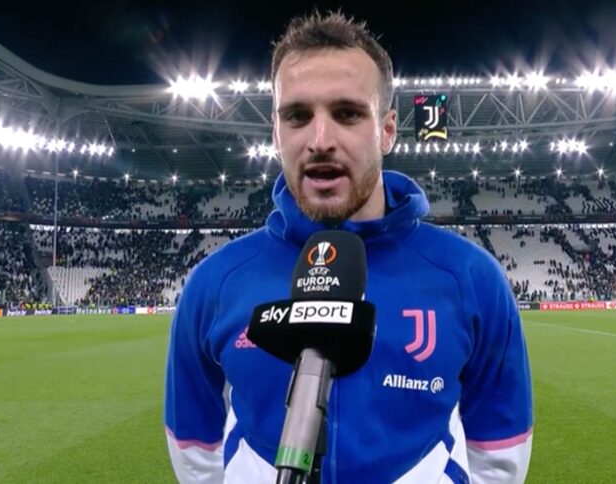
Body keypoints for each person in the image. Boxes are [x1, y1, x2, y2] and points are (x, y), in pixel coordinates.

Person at [165, 11, 533, 483]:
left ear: (387, 129)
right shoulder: (215, 282)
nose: (320, 140)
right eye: (297, 116)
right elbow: (194, 451)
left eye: (348, 113)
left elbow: (499, 453)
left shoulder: (470, 278)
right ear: (276, 132)